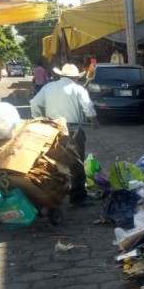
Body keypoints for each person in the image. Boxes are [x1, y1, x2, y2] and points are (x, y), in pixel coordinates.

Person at [30, 63, 99, 207]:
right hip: (74, 130)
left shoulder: (48, 87)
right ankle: (78, 197)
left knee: (53, 162)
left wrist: (39, 120)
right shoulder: (78, 89)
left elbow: (34, 103)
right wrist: (94, 121)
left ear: (61, 75)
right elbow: (88, 107)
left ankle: (52, 193)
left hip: (53, 131)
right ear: (75, 77)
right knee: (77, 162)